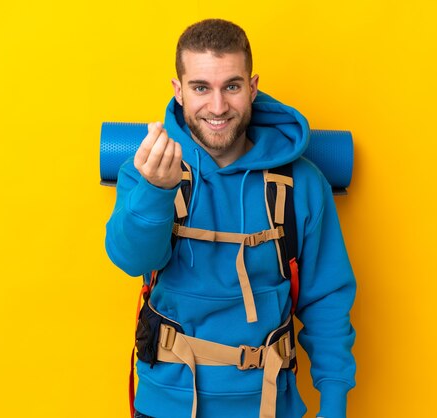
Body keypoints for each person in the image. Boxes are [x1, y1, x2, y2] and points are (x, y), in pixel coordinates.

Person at [105, 18, 356, 418]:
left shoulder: (301, 183)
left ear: (253, 87)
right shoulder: (149, 168)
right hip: (165, 403)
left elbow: (326, 300)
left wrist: (334, 404)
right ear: (179, 91)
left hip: (269, 404)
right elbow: (131, 259)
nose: (218, 107)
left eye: (232, 87)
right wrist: (156, 191)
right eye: (201, 87)